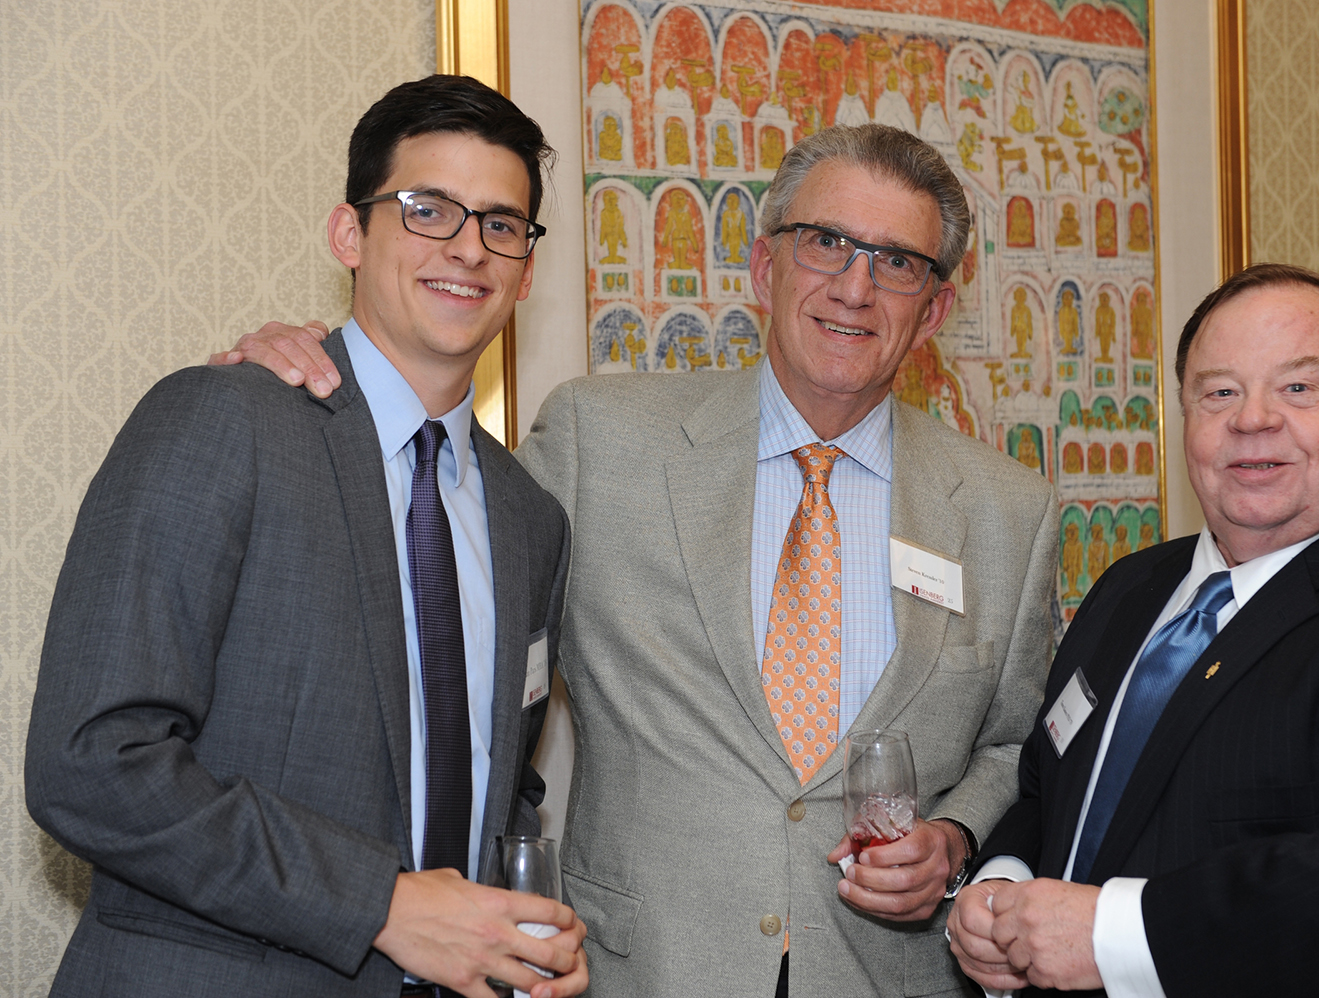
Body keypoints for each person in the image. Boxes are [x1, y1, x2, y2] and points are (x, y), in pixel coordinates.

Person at [224, 122, 1059, 997]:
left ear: (933, 309)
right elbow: (428, 552)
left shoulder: (1009, 512)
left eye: (897, 263)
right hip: (645, 970)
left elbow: (1016, 745)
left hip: (886, 975)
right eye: (825, 243)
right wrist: (325, 376)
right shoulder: (599, 439)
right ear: (765, 268)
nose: (856, 287)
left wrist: (956, 836)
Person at [25, 76, 589, 998]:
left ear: (527, 270)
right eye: (428, 209)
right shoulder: (224, 421)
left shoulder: (532, 519)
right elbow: (90, 763)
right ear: (348, 235)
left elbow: (493, 776)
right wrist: (382, 904)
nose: (468, 247)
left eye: (501, 224)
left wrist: (511, 922)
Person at [948, 263, 1319, 997]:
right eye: (1220, 393)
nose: (1253, 420)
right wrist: (1002, 882)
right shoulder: (1129, 587)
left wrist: (1116, 935)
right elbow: (1050, 790)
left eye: (1297, 387)